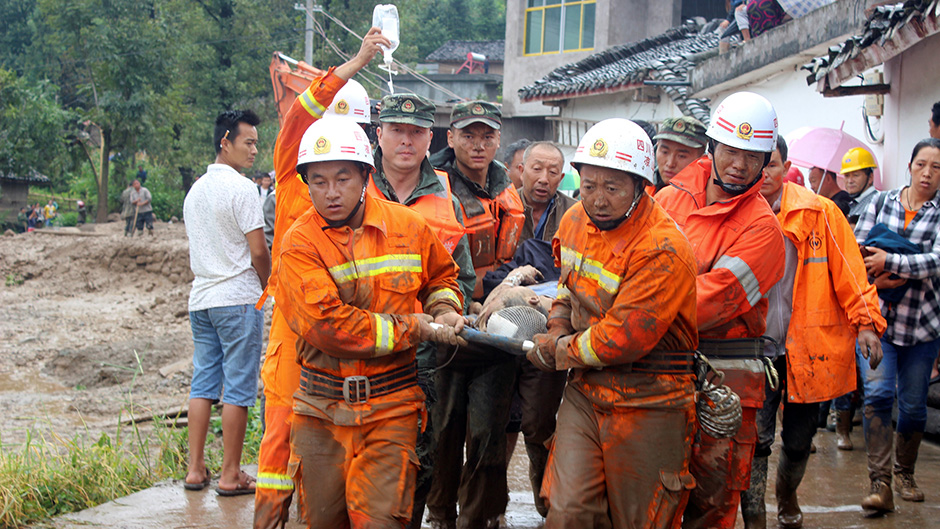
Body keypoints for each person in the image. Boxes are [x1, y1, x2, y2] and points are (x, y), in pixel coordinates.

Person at [276, 116, 464, 528]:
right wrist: (417, 328)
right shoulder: (299, 243)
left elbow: (442, 277)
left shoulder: (408, 226)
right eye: (318, 181)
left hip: (392, 407)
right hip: (322, 411)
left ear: (365, 175)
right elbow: (329, 327)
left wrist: (445, 309)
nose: (330, 193)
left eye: (342, 179)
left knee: (382, 521)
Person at [528, 118, 699, 528]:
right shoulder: (573, 222)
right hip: (587, 392)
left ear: (641, 187)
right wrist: (556, 326)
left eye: (612, 188)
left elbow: (624, 338)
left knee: (639, 519)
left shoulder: (662, 248)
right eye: (588, 186)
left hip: (650, 399)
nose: (598, 200)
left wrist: (558, 351)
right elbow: (567, 290)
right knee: (567, 512)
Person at [252, 29, 389, 529]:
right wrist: (355, 63)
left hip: (346, 323)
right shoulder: (293, 174)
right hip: (294, 324)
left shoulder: (372, 198)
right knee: (280, 437)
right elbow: (299, 115)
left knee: (335, 442)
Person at [739, 136, 886, 529]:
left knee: (800, 439)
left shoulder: (820, 213)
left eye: (771, 164)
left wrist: (867, 324)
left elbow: (851, 272)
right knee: (754, 439)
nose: (764, 172)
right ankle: (755, 518)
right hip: (754, 348)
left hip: (810, 347)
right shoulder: (735, 213)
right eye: (756, 163)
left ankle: (787, 495)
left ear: (785, 168)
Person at [655, 91, 786, 529]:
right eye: (730, 150)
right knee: (654, 488)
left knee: (712, 502)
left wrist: (629, 310)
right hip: (660, 362)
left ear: (766, 161)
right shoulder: (669, 198)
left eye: (753, 157)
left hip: (724, 376)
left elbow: (711, 300)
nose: (739, 165)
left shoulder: (763, 230)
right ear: (712, 147)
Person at [368, 92, 476, 529]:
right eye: (396, 130)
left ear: (430, 138)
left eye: (415, 132)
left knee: (420, 460)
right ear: (380, 134)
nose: (406, 141)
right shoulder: (352, 186)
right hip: (362, 345)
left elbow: (461, 277)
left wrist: (446, 314)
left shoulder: (446, 200)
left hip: (425, 356)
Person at [427, 100, 525, 529]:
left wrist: (503, 295)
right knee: (444, 429)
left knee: (488, 432)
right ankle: (440, 513)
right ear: (450, 139)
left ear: (498, 140)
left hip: (495, 327)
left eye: (487, 136)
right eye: (468, 135)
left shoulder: (508, 188)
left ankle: (478, 516)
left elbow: (514, 254)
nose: (478, 145)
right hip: (450, 324)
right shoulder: (435, 187)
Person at [182, 108, 270, 496]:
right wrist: (271, 287)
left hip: (201, 299)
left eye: (255, 143)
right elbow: (258, 251)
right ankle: (231, 474)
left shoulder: (196, 189)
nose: (254, 150)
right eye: (248, 142)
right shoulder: (242, 188)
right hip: (236, 299)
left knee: (203, 383)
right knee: (238, 387)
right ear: (226, 143)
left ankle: (195, 470)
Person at [854, 138, 940, 512]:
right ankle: (881, 484)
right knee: (876, 394)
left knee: (914, 406)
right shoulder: (880, 202)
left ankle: (905, 472)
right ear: (909, 166)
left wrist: (890, 261)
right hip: (878, 323)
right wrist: (878, 277)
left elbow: (936, 261)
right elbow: (857, 251)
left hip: (922, 328)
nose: (927, 173)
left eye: (937, 168)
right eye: (922, 164)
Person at [653, 116, 708, 191]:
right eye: (665, 152)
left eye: (681, 156)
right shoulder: (643, 185)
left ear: (701, 159)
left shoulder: (708, 196)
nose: (670, 164)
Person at [842, 147, 881, 224]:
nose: (850, 181)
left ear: (870, 177)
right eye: (846, 175)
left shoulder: (876, 203)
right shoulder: (855, 204)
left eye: (855, 175)